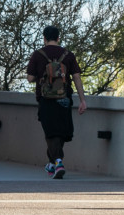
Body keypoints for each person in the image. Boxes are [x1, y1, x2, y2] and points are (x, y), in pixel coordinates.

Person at [26, 25, 87, 179]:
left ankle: (58, 162)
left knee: (50, 132)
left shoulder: (37, 55)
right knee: (60, 132)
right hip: (64, 98)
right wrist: (82, 100)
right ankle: (52, 164)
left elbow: (30, 78)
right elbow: (77, 77)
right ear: (58, 38)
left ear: (44, 38)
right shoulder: (68, 55)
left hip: (45, 99)